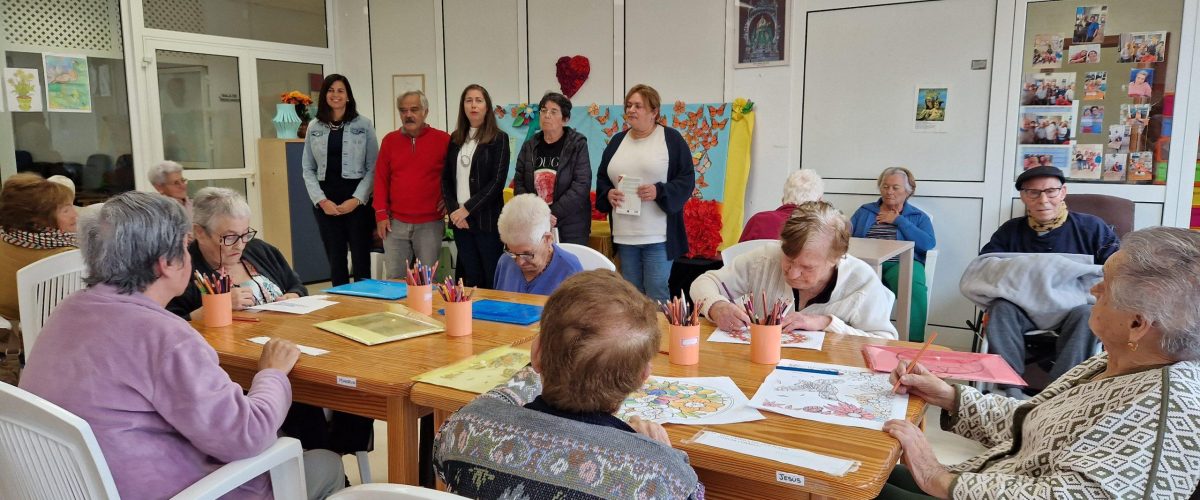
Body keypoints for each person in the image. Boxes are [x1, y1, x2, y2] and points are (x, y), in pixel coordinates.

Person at [19, 191, 344, 499]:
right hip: (177, 490)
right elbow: (247, 435)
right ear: (166, 263)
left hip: (83, 485)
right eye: (185, 245)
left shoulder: (66, 311)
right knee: (325, 462)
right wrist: (272, 374)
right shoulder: (163, 336)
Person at [882, 227, 1200, 499]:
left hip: (976, 488)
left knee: (852, 487)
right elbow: (1036, 424)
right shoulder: (1114, 363)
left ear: (1137, 324)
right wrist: (949, 396)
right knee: (868, 472)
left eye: (1106, 282)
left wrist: (938, 477)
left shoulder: (1168, 412)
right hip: (986, 478)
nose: (1094, 289)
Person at [434, 270, 703, 499]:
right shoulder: (665, 476)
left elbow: (442, 462)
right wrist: (659, 454)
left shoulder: (463, 427)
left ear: (536, 353)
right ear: (642, 377)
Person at [974, 166, 1119, 398]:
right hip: (1025, 308)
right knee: (1001, 308)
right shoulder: (1010, 231)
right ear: (1023, 196)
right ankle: (1010, 388)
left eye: (1051, 192)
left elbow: (1115, 267)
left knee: (1087, 314)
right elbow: (986, 268)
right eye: (1033, 193)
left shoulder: (1092, 228)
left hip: (1074, 308)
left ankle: (1057, 392)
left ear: (1063, 192)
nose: (1043, 200)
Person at [692, 201, 897, 339]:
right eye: (788, 260)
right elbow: (703, 283)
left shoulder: (861, 281)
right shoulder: (765, 258)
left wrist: (827, 323)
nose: (792, 274)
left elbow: (885, 341)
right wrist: (716, 306)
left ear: (836, 258)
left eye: (807, 267)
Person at [595, 84, 695, 302]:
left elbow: (686, 180)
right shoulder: (617, 141)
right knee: (630, 295)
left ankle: (659, 336)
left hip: (657, 235)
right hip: (624, 234)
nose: (631, 110)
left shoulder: (671, 139)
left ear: (654, 111)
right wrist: (608, 194)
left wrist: (659, 191)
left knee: (657, 292)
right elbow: (603, 177)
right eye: (628, 105)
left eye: (638, 106)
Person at [301, 74, 379, 286]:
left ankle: (365, 307)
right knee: (336, 260)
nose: (335, 95)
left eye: (340, 90)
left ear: (348, 96)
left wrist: (357, 199)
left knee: (361, 260)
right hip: (326, 203)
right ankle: (342, 307)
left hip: (357, 202)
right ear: (325, 95)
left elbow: (373, 167)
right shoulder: (314, 126)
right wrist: (321, 201)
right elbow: (307, 168)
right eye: (331, 90)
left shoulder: (363, 124)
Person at [849, 167, 935, 342]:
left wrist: (899, 221)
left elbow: (928, 244)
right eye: (885, 187)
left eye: (895, 187)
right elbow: (846, 237)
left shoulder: (918, 217)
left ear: (908, 191)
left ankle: (911, 344)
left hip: (901, 263)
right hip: (866, 264)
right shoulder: (865, 211)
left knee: (914, 288)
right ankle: (853, 339)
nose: (889, 192)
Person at [374, 90, 450, 277]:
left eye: (414, 109)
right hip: (395, 224)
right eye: (403, 110)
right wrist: (380, 214)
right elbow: (380, 179)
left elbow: (453, 176)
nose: (408, 115)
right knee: (394, 280)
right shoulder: (389, 141)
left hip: (430, 224)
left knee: (425, 282)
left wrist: (450, 201)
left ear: (425, 111)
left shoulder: (443, 140)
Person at [442, 84, 509, 288]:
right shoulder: (455, 139)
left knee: (490, 277)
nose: (473, 105)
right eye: (469, 100)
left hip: (486, 221)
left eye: (479, 100)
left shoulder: (499, 138)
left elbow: (497, 182)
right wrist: (455, 210)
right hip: (460, 222)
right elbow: (446, 179)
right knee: (469, 278)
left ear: (487, 107)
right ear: (463, 106)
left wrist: (467, 209)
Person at [513, 92, 592, 245]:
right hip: (536, 222)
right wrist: (539, 214)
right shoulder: (530, 145)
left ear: (565, 119)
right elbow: (519, 182)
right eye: (543, 110)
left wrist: (551, 213)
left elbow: (581, 185)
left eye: (553, 111)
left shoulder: (577, 144)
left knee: (571, 267)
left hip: (571, 224)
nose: (546, 115)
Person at [0, 173, 77, 322]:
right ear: (39, 219)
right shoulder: (66, 256)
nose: (75, 215)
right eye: (66, 210)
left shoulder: (6, 237)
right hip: (44, 331)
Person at [494, 194, 583, 295]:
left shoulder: (570, 270)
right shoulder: (505, 261)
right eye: (512, 252)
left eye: (527, 254)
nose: (519, 262)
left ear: (548, 239)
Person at [739, 169, 824, 242]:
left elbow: (733, 258)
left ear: (783, 199)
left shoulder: (757, 221)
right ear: (819, 202)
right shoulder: (821, 231)